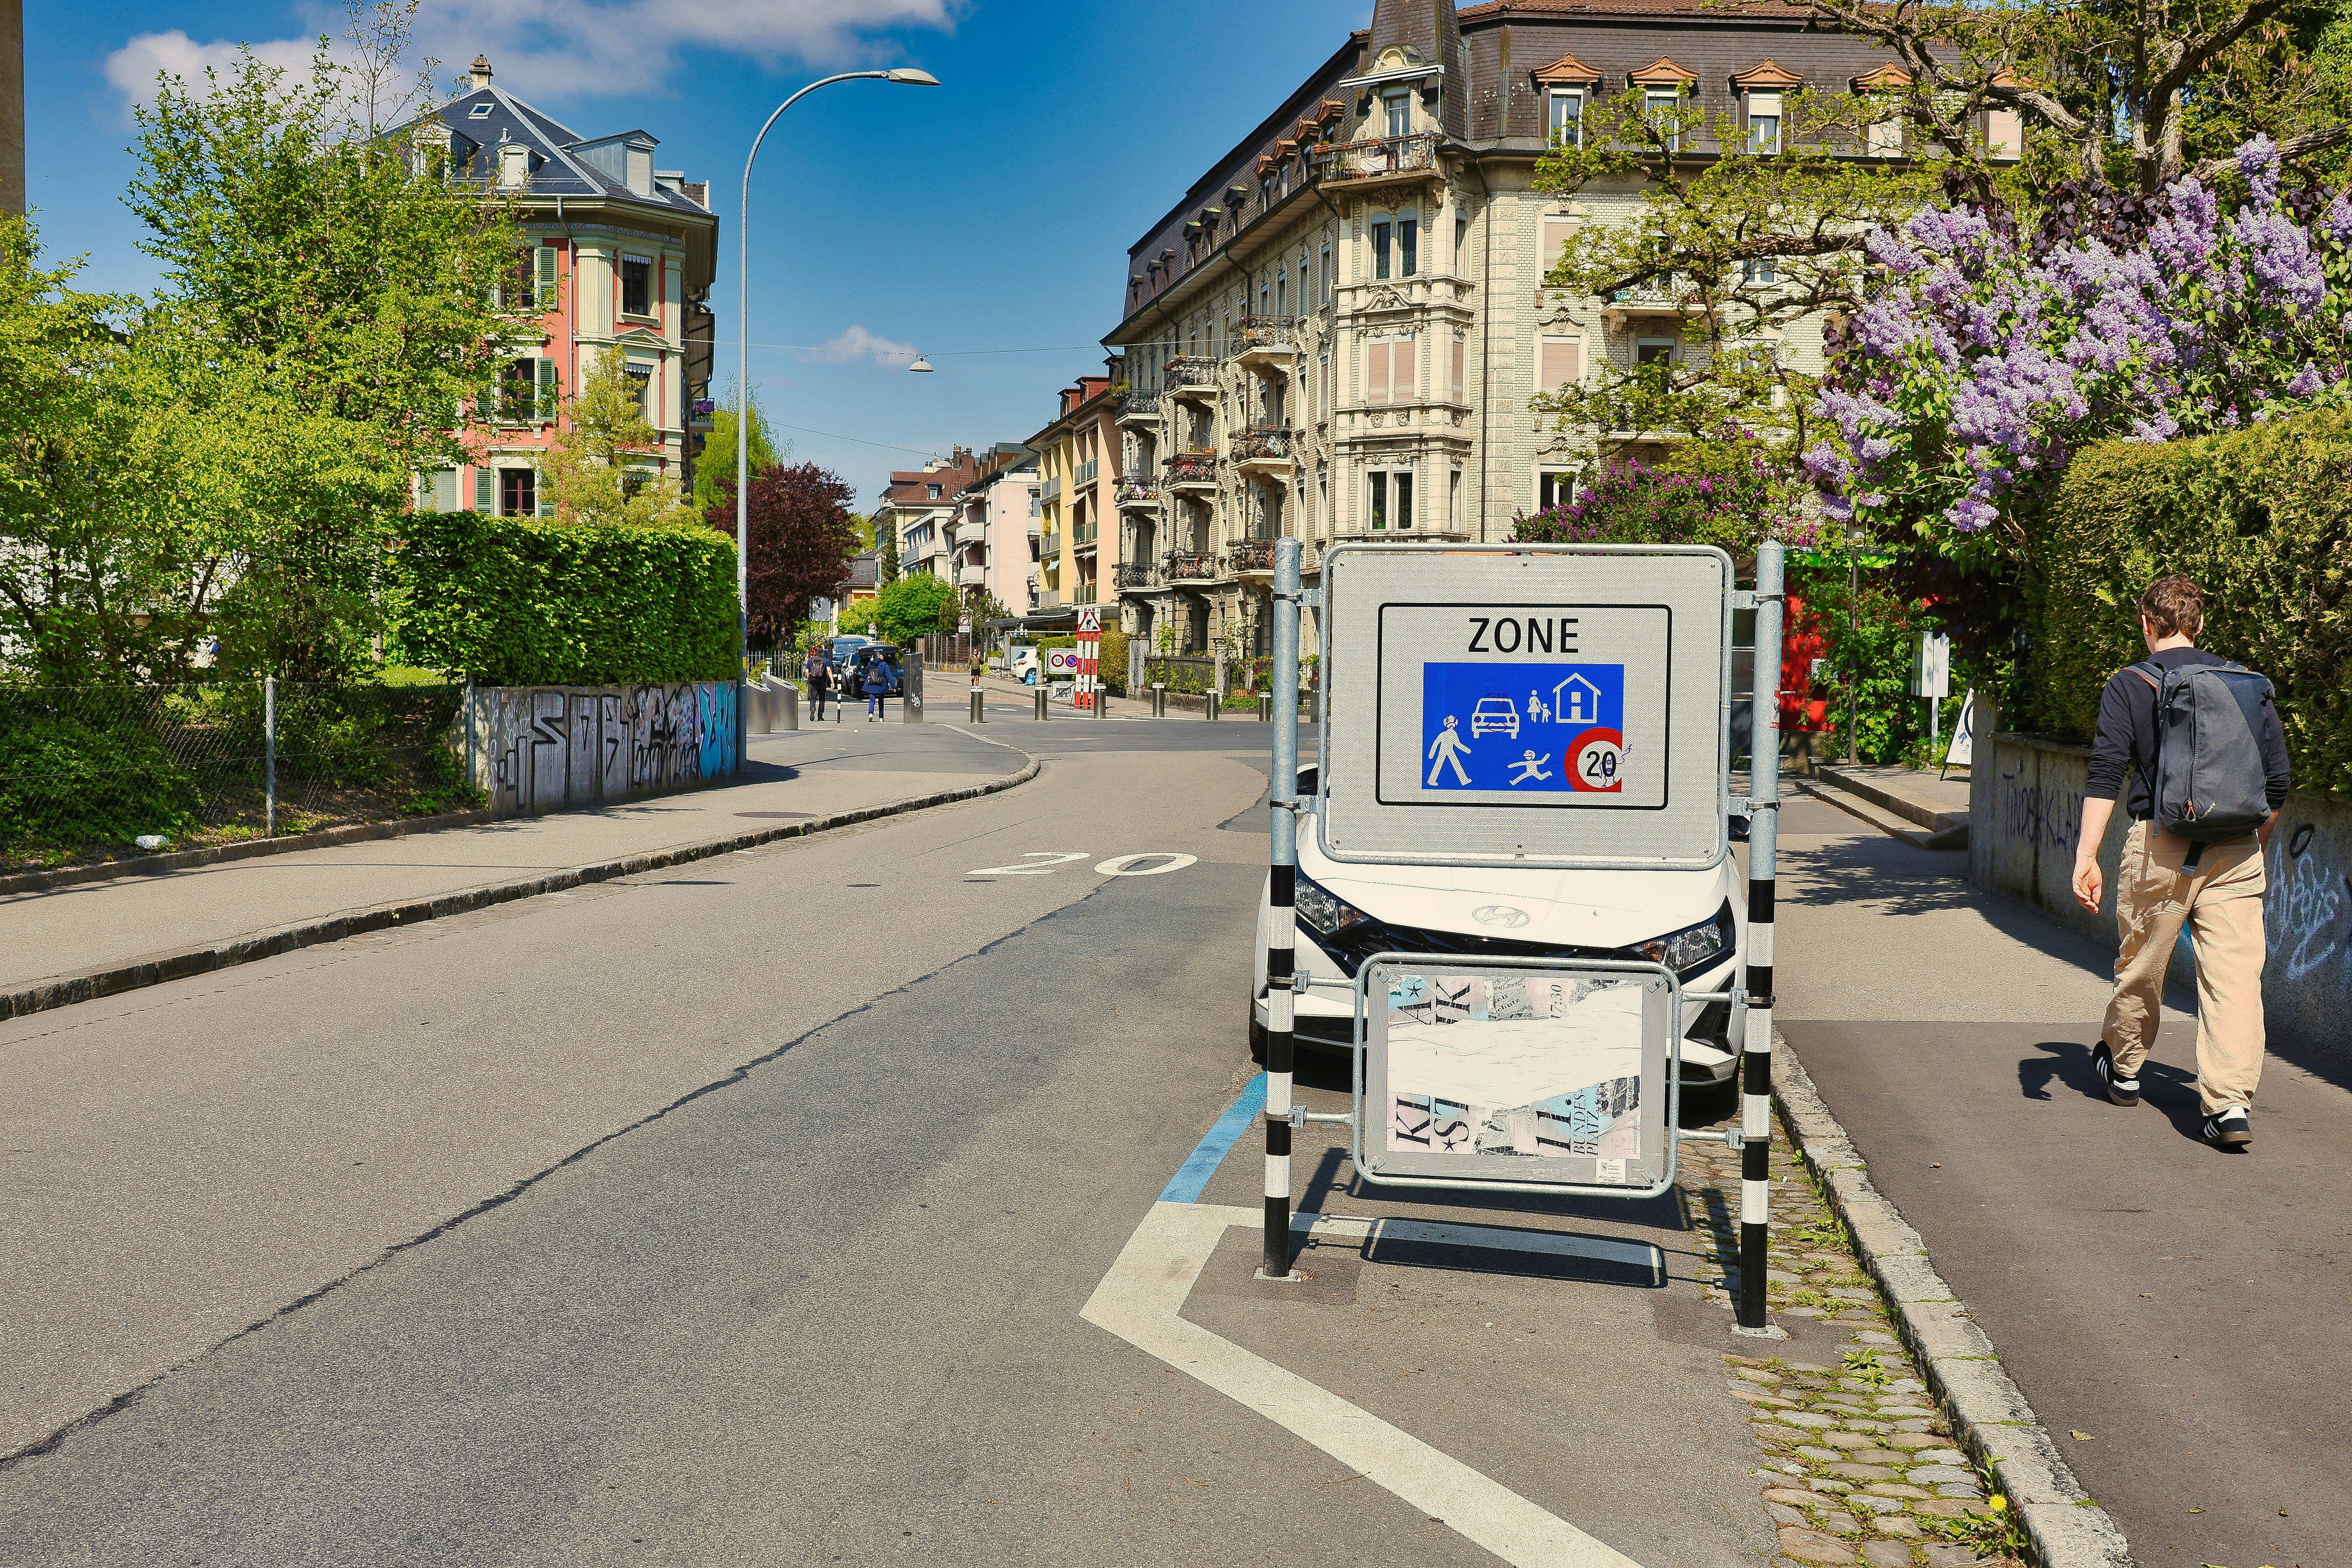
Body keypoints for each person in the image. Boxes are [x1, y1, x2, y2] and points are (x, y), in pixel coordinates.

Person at [2072, 575, 2290, 1149]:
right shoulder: (2247, 684)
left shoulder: (2130, 684)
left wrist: (2087, 855)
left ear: (2148, 624)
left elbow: (2105, 772)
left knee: (2143, 964)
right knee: (2236, 981)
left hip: (2161, 844)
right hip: (2238, 846)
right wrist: (2254, 848)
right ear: (2200, 625)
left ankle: (2123, 1067)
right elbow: (2278, 782)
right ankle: (2230, 1107)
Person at [862, 655, 889, 720]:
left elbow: (866, 671)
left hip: (872, 685)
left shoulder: (871, 664)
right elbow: (889, 676)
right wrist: (894, 686)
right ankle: (881, 717)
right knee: (881, 701)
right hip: (881, 685)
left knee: (872, 700)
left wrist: (871, 661)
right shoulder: (884, 665)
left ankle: (871, 713)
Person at [807, 657, 831, 722]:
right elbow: (829, 670)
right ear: (822, 653)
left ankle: (813, 709)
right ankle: (820, 716)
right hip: (823, 683)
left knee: (813, 698)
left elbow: (807, 671)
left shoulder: (811, 660)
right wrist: (832, 682)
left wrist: (808, 677)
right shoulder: (825, 660)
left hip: (813, 683)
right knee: (822, 699)